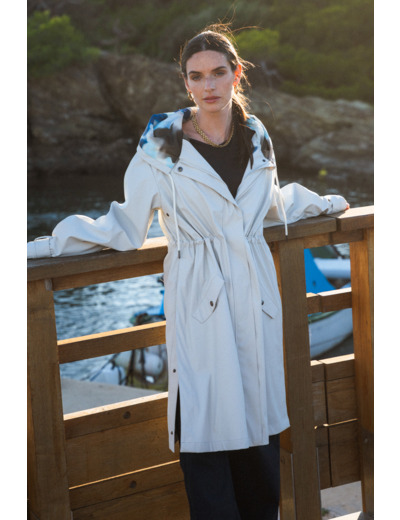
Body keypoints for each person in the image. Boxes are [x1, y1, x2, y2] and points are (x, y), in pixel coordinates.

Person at [28, 25, 349, 520]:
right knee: (204, 426)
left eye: (218, 73)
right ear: (185, 83)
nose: (208, 85)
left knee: (259, 427)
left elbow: (267, 205)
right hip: (201, 297)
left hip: (257, 293)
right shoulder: (162, 141)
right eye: (196, 77)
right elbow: (125, 224)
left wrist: (321, 204)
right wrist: (46, 247)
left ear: (236, 75)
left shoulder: (256, 134)